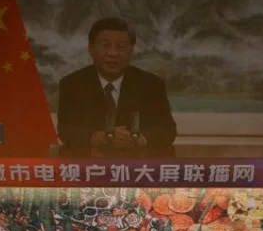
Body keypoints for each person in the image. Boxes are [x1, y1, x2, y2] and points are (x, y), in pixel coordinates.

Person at [57, 17, 176, 154]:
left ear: (131, 51)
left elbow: (168, 130)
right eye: (105, 45)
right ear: (91, 49)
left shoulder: (151, 84)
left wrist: (137, 138)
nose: (112, 53)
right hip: (91, 168)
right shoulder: (72, 84)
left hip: (136, 168)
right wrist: (97, 137)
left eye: (121, 46)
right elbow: (65, 130)